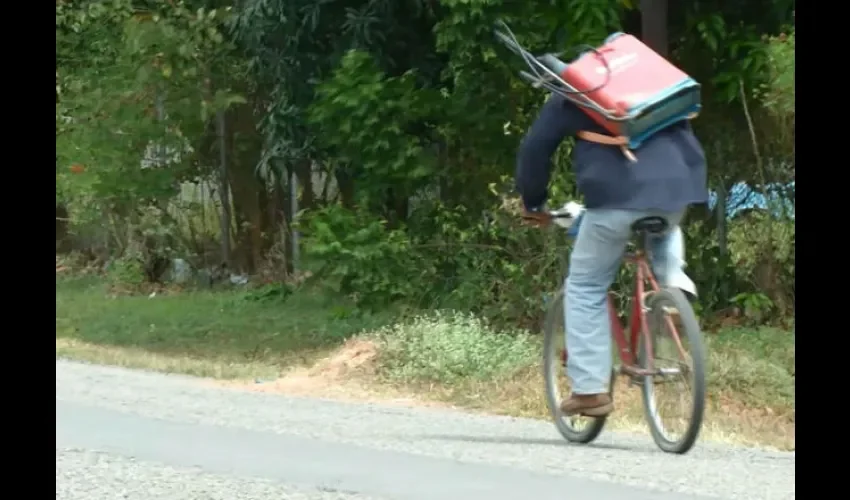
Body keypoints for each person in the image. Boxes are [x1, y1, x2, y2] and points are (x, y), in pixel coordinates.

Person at [515, 94, 708, 417]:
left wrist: (533, 202)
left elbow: (535, 150)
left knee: (585, 286)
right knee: (665, 226)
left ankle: (590, 391)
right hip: (676, 195)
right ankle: (674, 285)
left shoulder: (574, 94)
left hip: (614, 203)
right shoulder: (657, 88)